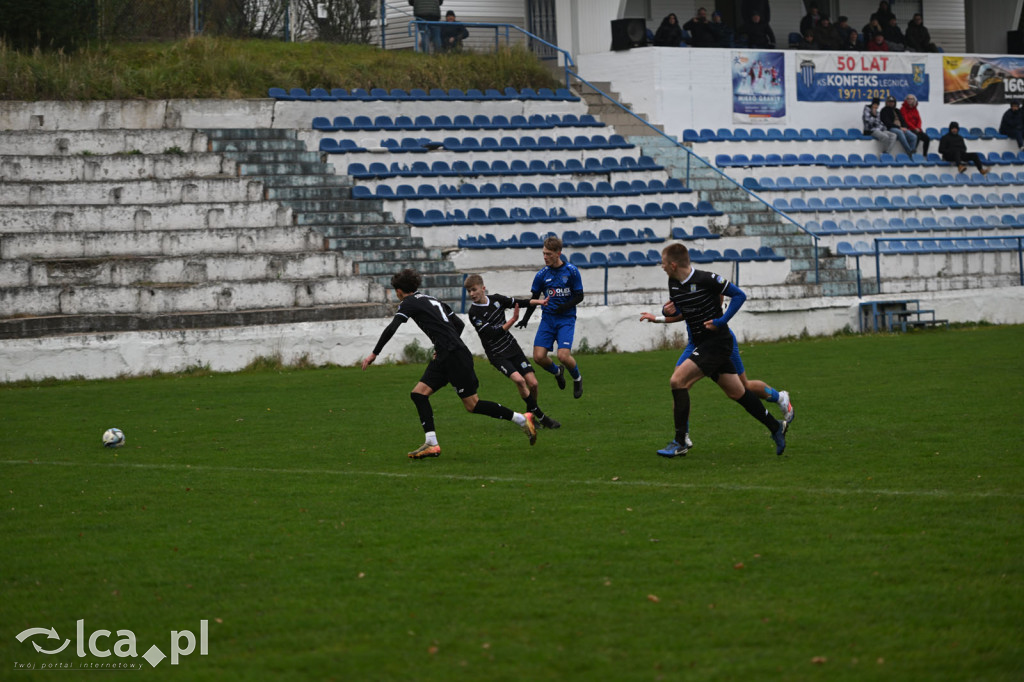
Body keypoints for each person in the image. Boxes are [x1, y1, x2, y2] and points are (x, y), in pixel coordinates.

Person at [361, 268, 536, 459]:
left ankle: (521, 419)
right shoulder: (432, 299)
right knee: (418, 394)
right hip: (448, 353)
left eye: (396, 290)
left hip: (453, 355)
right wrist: (445, 343)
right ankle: (431, 443)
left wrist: (374, 354)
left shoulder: (408, 302)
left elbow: (392, 327)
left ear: (399, 290)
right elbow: (458, 325)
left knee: (473, 405)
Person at [638, 243, 789, 458]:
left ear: (672, 264)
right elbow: (683, 311)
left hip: (717, 342)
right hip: (701, 344)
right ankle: (775, 427)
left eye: (663, 263)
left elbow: (739, 295)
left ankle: (680, 442)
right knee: (737, 392)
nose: (661, 267)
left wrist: (721, 320)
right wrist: (663, 313)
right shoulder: (673, 282)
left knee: (677, 381)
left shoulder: (707, 279)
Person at [643, 300, 795, 450]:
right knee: (679, 385)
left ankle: (780, 397)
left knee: (744, 386)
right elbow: (679, 310)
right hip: (695, 344)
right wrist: (663, 314)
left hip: (719, 341)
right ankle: (683, 437)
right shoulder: (681, 284)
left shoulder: (704, 281)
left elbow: (720, 299)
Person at [464, 274, 561, 429]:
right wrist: (512, 320)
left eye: (474, 289)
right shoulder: (474, 313)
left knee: (533, 384)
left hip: (512, 348)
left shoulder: (496, 299)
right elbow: (492, 333)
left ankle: (531, 417)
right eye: (469, 291)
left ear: (483, 288)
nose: (471, 294)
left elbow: (519, 302)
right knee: (520, 381)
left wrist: (540, 301)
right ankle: (543, 418)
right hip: (497, 354)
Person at [515, 236, 585, 399]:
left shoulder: (571, 271)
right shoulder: (542, 275)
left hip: (566, 319)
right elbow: (534, 298)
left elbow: (579, 296)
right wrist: (525, 319)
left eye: (548, 254)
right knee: (538, 357)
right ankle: (557, 371)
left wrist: (564, 307)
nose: (545, 257)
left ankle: (577, 378)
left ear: (558, 253)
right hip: (548, 319)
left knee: (563, 355)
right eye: (543, 253)